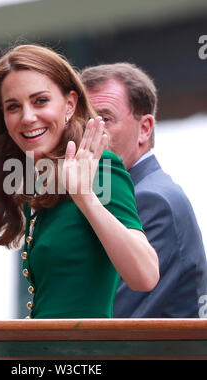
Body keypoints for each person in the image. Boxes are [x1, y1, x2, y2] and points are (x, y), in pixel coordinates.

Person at [0, 44, 159, 319]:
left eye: (40, 101)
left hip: (85, 356)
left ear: (70, 105)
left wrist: (84, 195)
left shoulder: (101, 168)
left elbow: (145, 275)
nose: (27, 117)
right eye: (13, 107)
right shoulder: (35, 183)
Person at [81, 62, 207, 318]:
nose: (89, 133)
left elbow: (106, 320)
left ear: (145, 128)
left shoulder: (150, 200)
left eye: (104, 119)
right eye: (82, 121)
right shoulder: (120, 194)